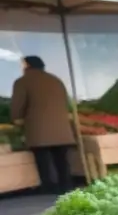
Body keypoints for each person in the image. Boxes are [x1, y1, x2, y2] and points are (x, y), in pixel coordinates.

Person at [10, 56, 75, 194]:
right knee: (62, 159)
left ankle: (49, 187)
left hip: (39, 128)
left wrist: (16, 118)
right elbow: (66, 102)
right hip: (61, 128)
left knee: (43, 160)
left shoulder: (22, 82)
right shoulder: (55, 80)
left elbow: (18, 104)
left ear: (27, 65)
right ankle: (66, 185)